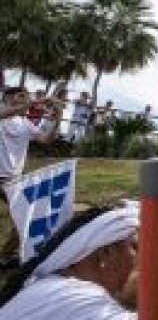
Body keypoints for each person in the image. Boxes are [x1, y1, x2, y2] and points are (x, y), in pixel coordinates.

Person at [0, 205, 138, 319]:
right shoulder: (75, 295)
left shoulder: (54, 288)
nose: (144, 260)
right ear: (105, 253)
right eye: (135, 247)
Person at [1, 87, 60, 263]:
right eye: (20, 96)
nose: (24, 99)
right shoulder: (3, 112)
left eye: (25, 96)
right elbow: (13, 111)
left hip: (12, 179)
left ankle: (6, 257)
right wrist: (38, 101)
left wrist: (57, 118)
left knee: (24, 217)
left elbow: (46, 139)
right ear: (7, 98)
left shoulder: (25, 123)